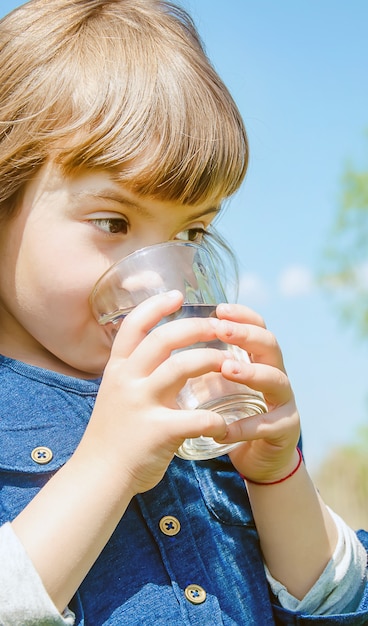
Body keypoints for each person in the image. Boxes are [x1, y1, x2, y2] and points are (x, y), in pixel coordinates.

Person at [0, 0, 367, 624]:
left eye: (191, 235)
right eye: (113, 221)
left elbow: (340, 604)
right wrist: (109, 465)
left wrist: (278, 480)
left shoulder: (204, 396)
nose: (159, 281)